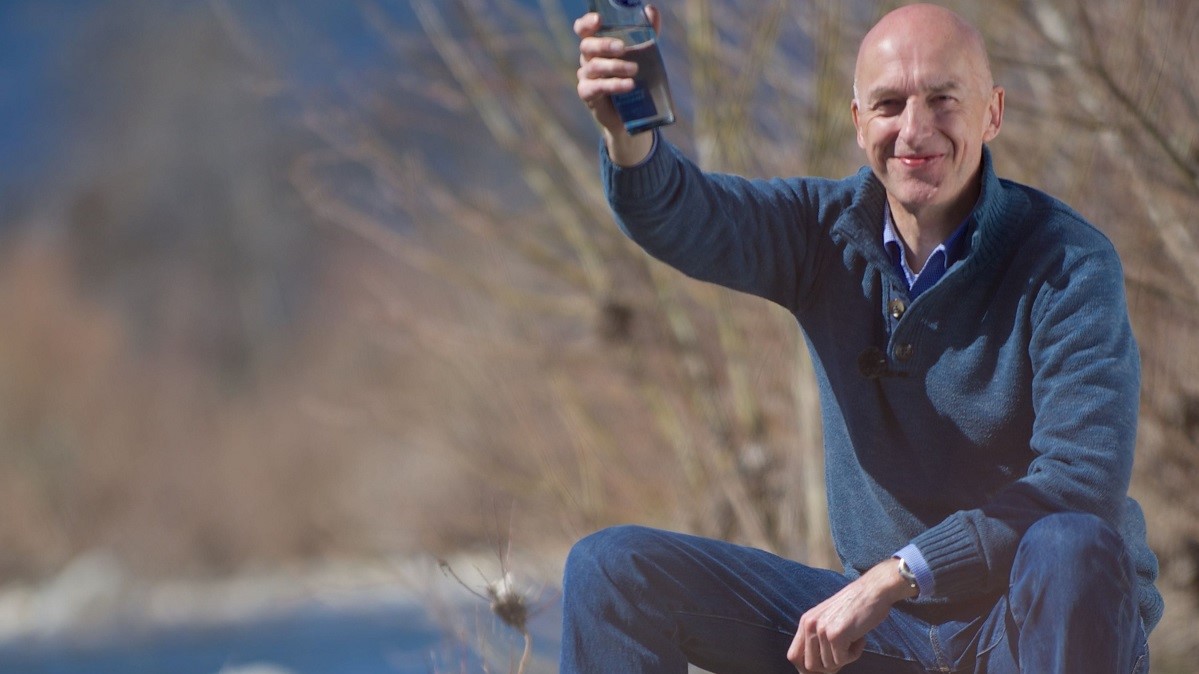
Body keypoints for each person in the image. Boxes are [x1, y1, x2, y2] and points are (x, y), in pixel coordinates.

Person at [561, 3, 1164, 674]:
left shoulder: (1066, 260)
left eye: (942, 100)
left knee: (1069, 544)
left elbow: (1079, 482)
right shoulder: (817, 232)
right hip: (883, 637)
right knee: (612, 570)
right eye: (887, 104)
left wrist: (895, 575)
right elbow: (684, 216)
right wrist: (629, 138)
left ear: (992, 112)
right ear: (856, 122)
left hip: (1024, 626)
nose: (914, 129)